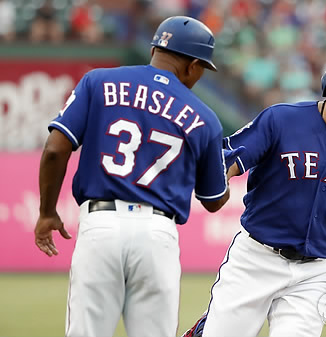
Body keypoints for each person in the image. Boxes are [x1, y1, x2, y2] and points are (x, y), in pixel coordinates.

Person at [181, 44, 326, 337]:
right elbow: (230, 159)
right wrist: (220, 176)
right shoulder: (281, 119)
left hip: (315, 272)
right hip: (256, 257)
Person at [34, 16, 231, 337]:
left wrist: (46, 212)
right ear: (193, 65)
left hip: (101, 226)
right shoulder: (205, 118)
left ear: (155, 49)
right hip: (157, 234)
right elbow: (213, 200)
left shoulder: (97, 81)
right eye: (201, 69)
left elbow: (56, 149)